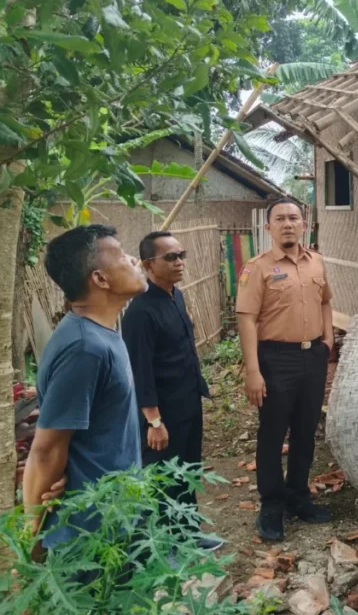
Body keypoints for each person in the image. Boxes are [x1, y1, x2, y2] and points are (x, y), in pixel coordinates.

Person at [23, 224, 146, 550]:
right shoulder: (83, 348)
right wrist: (32, 533)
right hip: (88, 535)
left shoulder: (102, 333)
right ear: (100, 279)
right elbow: (47, 448)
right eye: (121, 256)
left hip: (114, 517)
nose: (134, 260)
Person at [236, 198, 334, 541]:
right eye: (280, 219)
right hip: (275, 358)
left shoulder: (317, 262)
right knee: (273, 433)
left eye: (294, 217)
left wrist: (328, 338)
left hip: (312, 356)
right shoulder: (257, 267)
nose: (288, 224)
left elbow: (325, 300)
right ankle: (272, 504)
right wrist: (253, 370)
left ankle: (298, 497)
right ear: (269, 228)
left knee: (306, 431)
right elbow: (246, 319)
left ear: (304, 224)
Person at [121, 231, 219, 550]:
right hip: (162, 411)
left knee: (187, 471)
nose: (179, 263)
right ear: (149, 264)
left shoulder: (176, 296)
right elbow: (140, 369)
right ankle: (165, 546)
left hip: (188, 399)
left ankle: (188, 534)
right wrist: (153, 420)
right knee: (163, 479)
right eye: (171, 257)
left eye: (181, 255)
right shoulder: (140, 311)